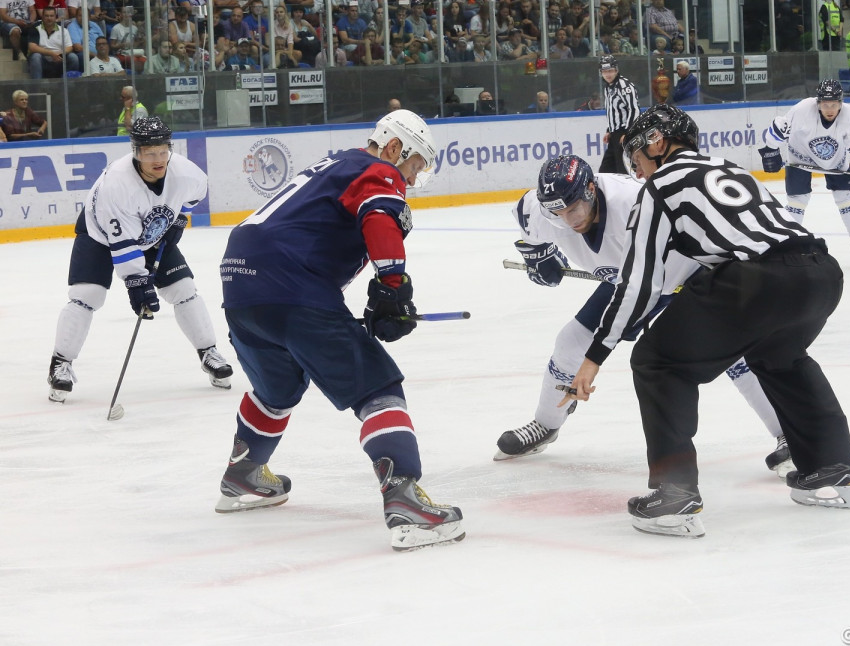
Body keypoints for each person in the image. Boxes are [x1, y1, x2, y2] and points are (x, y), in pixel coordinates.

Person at [568, 105, 850, 537]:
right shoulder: (729, 169)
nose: (636, 169)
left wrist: (595, 355)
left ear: (657, 142)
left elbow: (639, 284)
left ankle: (675, 493)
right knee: (780, 355)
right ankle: (831, 465)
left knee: (657, 360)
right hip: (819, 271)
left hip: (758, 282)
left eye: (637, 155)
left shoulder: (660, 187)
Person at [215, 110, 465, 552]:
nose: (409, 178)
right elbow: (379, 216)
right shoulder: (377, 170)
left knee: (279, 386)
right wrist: (393, 287)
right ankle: (405, 499)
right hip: (288, 281)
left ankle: (244, 473)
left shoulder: (336, 166)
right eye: (414, 166)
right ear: (394, 148)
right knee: (378, 385)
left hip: (240, 281)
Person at [498, 154, 794, 476]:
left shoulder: (634, 201)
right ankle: (546, 424)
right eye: (558, 213)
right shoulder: (543, 211)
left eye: (573, 210)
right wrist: (539, 256)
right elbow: (526, 221)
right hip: (631, 282)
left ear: (591, 191)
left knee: (735, 354)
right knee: (570, 345)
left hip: (688, 273)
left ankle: (788, 435)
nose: (569, 221)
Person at [46, 117, 234, 404]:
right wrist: (137, 285)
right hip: (99, 235)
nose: (158, 159)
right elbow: (123, 244)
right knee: (88, 295)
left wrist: (177, 220)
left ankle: (208, 352)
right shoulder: (117, 185)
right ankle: (60, 363)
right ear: (136, 152)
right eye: (150, 153)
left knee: (183, 289)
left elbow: (194, 197)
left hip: (151, 234)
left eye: (163, 151)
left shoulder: (186, 173)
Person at [758, 79, 850, 267]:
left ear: (841, 103)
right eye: (825, 104)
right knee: (797, 201)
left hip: (835, 160)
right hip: (800, 158)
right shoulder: (802, 110)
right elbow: (778, 128)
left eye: (834, 104)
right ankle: (789, 244)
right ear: (818, 103)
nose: (830, 109)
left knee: (847, 198)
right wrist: (771, 150)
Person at [598, 54, 638, 174]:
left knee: (624, 171)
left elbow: (634, 109)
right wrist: (609, 130)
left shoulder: (625, 86)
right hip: (614, 135)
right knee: (605, 172)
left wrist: (628, 133)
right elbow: (613, 111)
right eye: (604, 71)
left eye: (610, 71)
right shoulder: (607, 88)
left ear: (616, 70)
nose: (608, 74)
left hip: (624, 133)